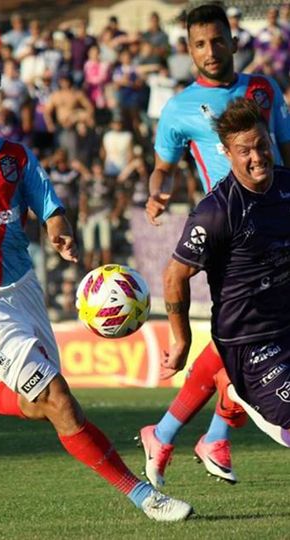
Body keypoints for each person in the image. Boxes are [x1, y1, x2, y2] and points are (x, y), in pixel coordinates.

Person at [0, 54, 192, 522]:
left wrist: (58, 226)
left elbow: (50, 205)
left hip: (25, 292)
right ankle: (145, 496)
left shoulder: (15, 156)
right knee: (58, 401)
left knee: (33, 404)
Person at [142, 3, 290, 488]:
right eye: (199, 44)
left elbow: (283, 147)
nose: (210, 51)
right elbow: (163, 164)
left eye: (217, 40)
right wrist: (157, 188)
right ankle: (204, 435)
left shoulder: (262, 90)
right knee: (243, 332)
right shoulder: (178, 109)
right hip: (225, 234)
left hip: (273, 215)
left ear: (231, 39)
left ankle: (173, 434)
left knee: (248, 335)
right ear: (188, 50)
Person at [163, 97, 290, 447]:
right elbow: (174, 275)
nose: (257, 157)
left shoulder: (285, 185)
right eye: (244, 151)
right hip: (250, 345)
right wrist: (182, 340)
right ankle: (235, 393)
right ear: (228, 154)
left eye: (262, 146)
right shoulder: (216, 212)